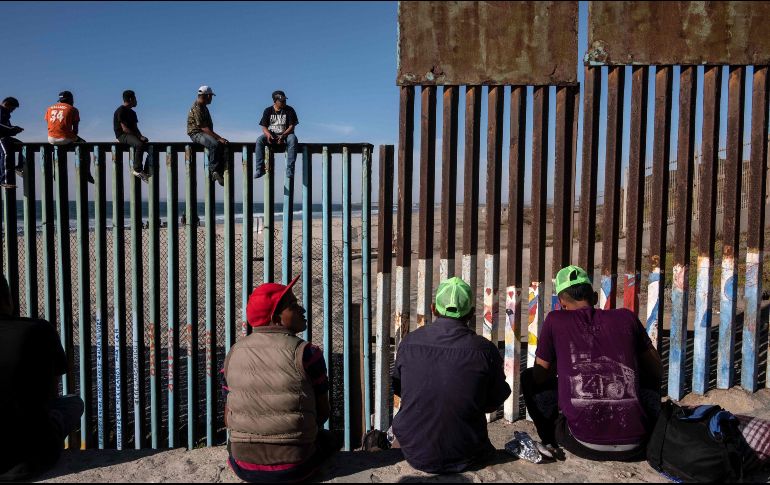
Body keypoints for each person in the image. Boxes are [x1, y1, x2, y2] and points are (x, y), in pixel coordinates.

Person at [522, 265, 663, 461]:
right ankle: (650, 426)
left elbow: (539, 376)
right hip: (637, 444)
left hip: (583, 442)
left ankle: (550, 440)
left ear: (562, 303)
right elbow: (657, 370)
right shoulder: (626, 317)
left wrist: (560, 364)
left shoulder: (555, 320)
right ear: (595, 298)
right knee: (647, 373)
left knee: (528, 377)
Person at [222, 275, 339, 483]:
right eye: (293, 305)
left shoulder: (233, 353)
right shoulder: (307, 354)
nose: (302, 310)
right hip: (295, 466)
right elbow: (323, 413)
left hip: (244, 466)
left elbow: (227, 416)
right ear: (275, 318)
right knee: (331, 440)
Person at [391, 277, 511, 473]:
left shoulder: (409, 342)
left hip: (414, 452)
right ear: (472, 314)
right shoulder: (485, 350)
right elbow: (493, 402)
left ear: (433, 309)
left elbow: (400, 389)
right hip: (467, 453)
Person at [0, 275, 84, 481]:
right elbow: (50, 395)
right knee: (73, 403)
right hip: (33, 458)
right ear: (8, 300)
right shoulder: (39, 330)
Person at [45, 90, 94, 183]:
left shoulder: (49, 108)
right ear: (71, 100)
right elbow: (75, 130)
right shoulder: (73, 109)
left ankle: (55, 173)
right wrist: (72, 138)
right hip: (65, 138)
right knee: (84, 145)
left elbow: (50, 123)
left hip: (51, 139)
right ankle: (87, 172)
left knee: (57, 148)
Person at [187, 85, 228, 186]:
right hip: (196, 133)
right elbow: (203, 128)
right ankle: (214, 171)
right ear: (207, 96)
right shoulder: (197, 107)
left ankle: (219, 171)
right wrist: (219, 138)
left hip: (203, 133)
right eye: (211, 96)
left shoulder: (204, 107)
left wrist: (219, 139)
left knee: (220, 144)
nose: (212, 99)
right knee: (214, 144)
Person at [254, 90, 299, 179]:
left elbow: (291, 126)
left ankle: (290, 169)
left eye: (285, 100)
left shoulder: (290, 110)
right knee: (259, 140)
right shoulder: (268, 110)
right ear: (275, 101)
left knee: (293, 139)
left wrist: (283, 135)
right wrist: (268, 135)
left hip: (286, 135)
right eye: (281, 101)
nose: (284, 102)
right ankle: (260, 169)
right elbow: (264, 127)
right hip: (272, 135)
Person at [114, 90, 150, 181]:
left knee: (147, 145)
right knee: (139, 144)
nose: (136, 101)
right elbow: (124, 129)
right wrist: (138, 138)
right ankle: (137, 169)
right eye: (135, 98)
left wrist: (141, 136)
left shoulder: (133, 113)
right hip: (122, 135)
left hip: (131, 135)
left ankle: (145, 170)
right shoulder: (121, 110)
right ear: (131, 99)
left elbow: (135, 128)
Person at [0, 97, 24, 189]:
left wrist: (15, 130)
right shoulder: (1, 111)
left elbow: (7, 128)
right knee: (6, 155)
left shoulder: (5, 114)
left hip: (6, 138)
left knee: (22, 146)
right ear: (7, 104)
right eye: (12, 108)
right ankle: (4, 181)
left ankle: (19, 167)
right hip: (1, 139)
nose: (12, 111)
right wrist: (13, 129)